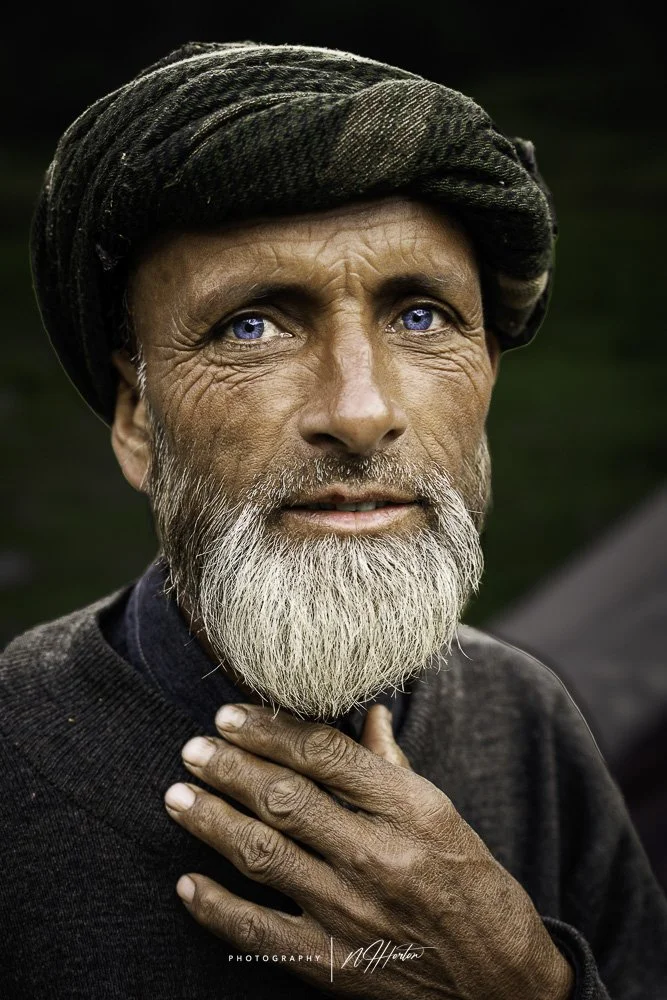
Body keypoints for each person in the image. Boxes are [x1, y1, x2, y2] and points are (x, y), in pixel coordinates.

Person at [1, 40, 665, 1000]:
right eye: (253, 325)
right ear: (138, 418)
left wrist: (525, 983)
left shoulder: (526, 720)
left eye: (422, 316)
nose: (359, 411)